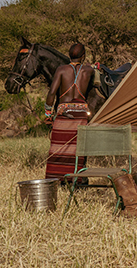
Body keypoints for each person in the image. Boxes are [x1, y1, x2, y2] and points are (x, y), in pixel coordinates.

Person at [43, 43, 95, 181]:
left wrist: (48, 114)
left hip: (63, 114)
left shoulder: (61, 69)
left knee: (58, 150)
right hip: (81, 116)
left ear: (69, 55)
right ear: (83, 56)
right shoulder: (89, 71)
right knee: (77, 151)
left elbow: (51, 93)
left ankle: (56, 178)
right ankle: (76, 179)